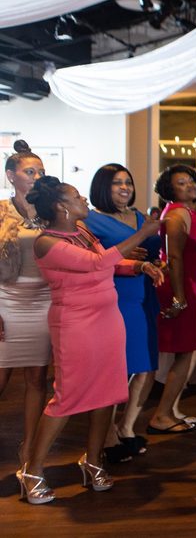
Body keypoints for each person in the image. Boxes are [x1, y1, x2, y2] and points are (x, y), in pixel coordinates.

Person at [17, 176, 162, 504]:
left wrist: (139, 265)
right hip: (76, 326)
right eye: (76, 196)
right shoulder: (46, 242)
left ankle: (93, 460)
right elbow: (95, 263)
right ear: (60, 207)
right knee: (68, 397)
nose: (84, 199)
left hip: (108, 322)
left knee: (107, 395)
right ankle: (32, 470)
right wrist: (143, 233)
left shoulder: (82, 231)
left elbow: (107, 267)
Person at [84, 164, 163, 462]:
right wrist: (123, 253)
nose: (124, 187)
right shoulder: (90, 220)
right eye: (117, 183)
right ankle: (106, 436)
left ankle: (126, 426)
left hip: (145, 292)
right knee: (116, 369)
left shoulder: (140, 216)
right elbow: (90, 259)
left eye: (128, 182)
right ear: (103, 187)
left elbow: (155, 248)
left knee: (145, 364)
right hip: (114, 296)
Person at [147, 164, 196, 434]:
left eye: (191, 181)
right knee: (185, 353)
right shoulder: (176, 214)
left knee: (189, 351)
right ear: (170, 189)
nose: (189, 186)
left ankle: (171, 409)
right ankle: (161, 415)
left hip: (191, 284)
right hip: (182, 287)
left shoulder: (189, 212)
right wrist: (179, 298)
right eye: (181, 183)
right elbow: (172, 258)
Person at [0, 141, 50, 467]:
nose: (36, 177)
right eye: (29, 171)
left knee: (37, 380)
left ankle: (29, 448)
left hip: (45, 301)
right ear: (10, 176)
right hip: (6, 301)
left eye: (41, 172)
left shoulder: (51, 211)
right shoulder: (0, 211)